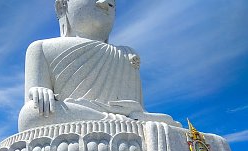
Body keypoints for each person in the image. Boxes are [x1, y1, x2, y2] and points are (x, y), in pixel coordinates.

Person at [18, 0, 180, 132]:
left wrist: (137, 115)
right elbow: (30, 112)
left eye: (112, 3)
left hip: (125, 126)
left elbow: (139, 111)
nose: (104, 2)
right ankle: (118, 123)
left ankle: (119, 124)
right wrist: (40, 91)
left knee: (164, 124)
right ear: (62, 5)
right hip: (94, 126)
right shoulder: (40, 48)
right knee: (31, 113)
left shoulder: (126, 54)